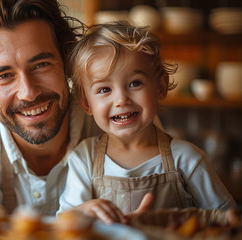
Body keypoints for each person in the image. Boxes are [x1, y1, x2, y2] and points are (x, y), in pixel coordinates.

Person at [0, 0, 153, 223]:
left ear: (67, 62)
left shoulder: (126, 123)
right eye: (4, 76)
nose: (29, 92)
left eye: (41, 65)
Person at [57, 21, 237, 224]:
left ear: (161, 87)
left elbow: (227, 219)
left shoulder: (186, 159)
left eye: (135, 83)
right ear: (86, 103)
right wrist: (85, 210)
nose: (121, 100)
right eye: (104, 89)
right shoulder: (84, 159)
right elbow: (64, 224)